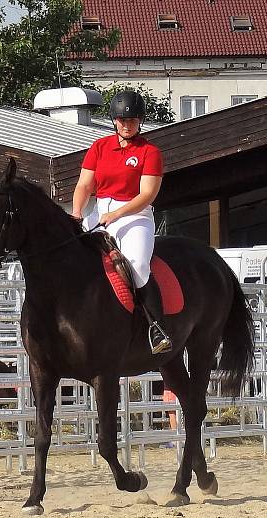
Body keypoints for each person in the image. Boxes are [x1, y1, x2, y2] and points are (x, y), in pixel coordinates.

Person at [71, 89, 171, 354]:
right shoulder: (99, 147)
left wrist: (117, 214)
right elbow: (84, 184)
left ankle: (154, 327)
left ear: (140, 121)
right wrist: (77, 212)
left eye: (132, 121)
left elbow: (148, 194)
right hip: (99, 211)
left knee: (137, 265)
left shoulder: (150, 152)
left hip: (135, 216)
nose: (127, 125)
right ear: (114, 120)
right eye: (122, 120)